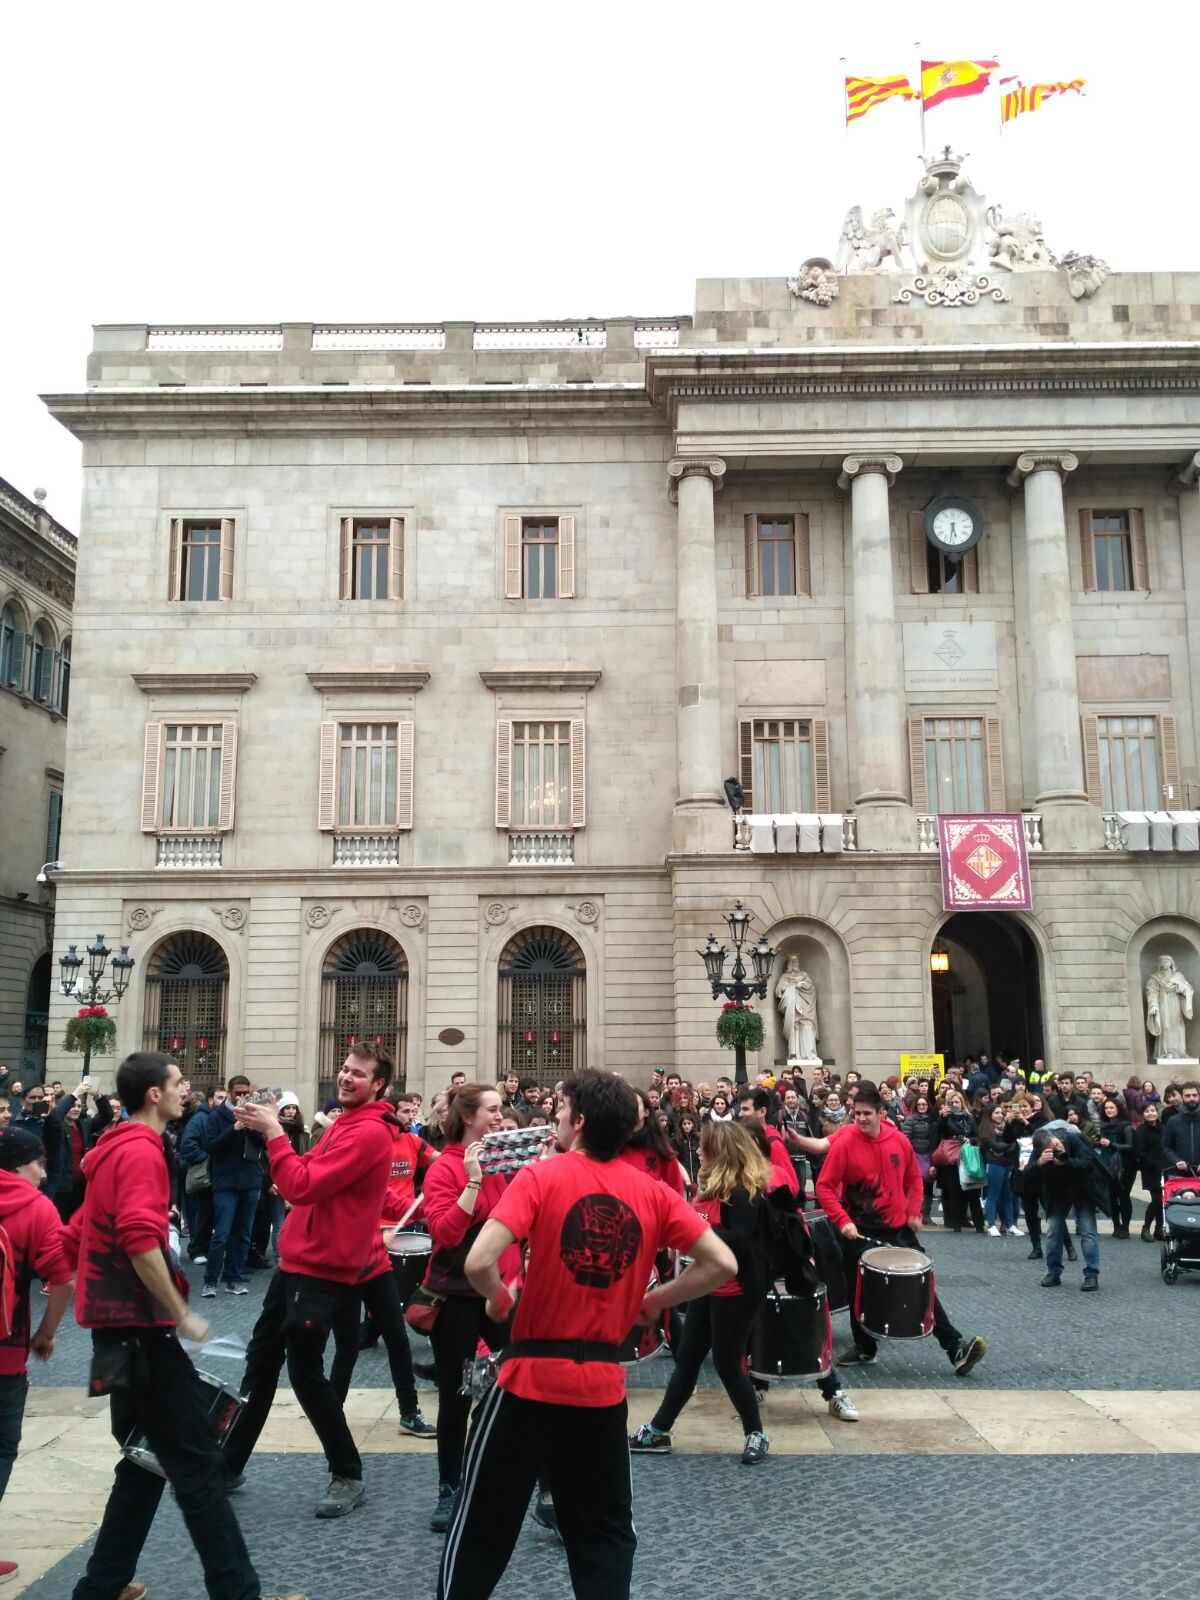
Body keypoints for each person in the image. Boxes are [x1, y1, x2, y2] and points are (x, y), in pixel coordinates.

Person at [437, 1069, 734, 1600]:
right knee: (604, 1537)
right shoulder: (654, 1193)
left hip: (527, 1381)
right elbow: (721, 1264)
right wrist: (654, 1301)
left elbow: (480, 1261)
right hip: (601, 1387)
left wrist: (498, 1297)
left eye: (560, 1110)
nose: (554, 1118)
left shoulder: (539, 1177)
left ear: (578, 1121)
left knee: (481, 1526)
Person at [63, 1051, 305, 1600]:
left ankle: (101, 1586)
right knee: (198, 1466)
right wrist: (181, 1312)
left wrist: (57, 1316)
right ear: (154, 1094)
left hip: (117, 1330)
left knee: (145, 1458)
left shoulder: (113, 1148)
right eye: (177, 1082)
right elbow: (137, 1239)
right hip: (142, 1331)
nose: (185, 1088)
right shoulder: (140, 1150)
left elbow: (77, 1234)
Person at [226, 1042, 413, 1519]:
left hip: (323, 1268)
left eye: (359, 1074)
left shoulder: (368, 1132)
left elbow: (300, 1186)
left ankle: (347, 1472)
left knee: (305, 1374)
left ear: (379, 1085)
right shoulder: (347, 1123)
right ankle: (227, 1464)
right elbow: (306, 1173)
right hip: (297, 1261)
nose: (346, 1077)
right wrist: (271, 1133)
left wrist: (274, 1131)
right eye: (345, 1069)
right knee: (260, 1363)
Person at [816, 1083, 986, 1376]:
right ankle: (865, 1347)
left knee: (921, 1286)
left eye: (867, 1113)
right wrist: (842, 1221)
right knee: (858, 1290)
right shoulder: (844, 1144)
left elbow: (913, 1180)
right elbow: (824, 1187)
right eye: (857, 1113)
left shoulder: (898, 1140)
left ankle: (955, 1347)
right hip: (860, 1231)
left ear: (881, 1112)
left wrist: (913, 1211)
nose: (860, 1118)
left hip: (898, 1230)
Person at [630, 1120, 771, 1464]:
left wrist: (694, 1228)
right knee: (688, 1359)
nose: (699, 1152)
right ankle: (659, 1430)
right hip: (708, 1285)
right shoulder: (709, 1189)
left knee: (727, 1364)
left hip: (737, 1291)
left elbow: (738, 1241)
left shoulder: (743, 1193)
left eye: (705, 1148)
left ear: (719, 1152)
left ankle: (756, 1432)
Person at [421, 1082, 513, 1533]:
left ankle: (530, 1482)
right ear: (468, 1116)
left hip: (496, 1293)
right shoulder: (445, 1167)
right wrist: (473, 1180)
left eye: (500, 1109)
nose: (500, 1116)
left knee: (516, 1382)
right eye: (492, 1110)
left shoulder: (500, 1162)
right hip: (456, 1297)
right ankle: (449, 1488)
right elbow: (446, 1233)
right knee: (456, 1395)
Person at [0, 1125, 74, 1585]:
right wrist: (45, 1335)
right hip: (5, 1352)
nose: (44, 1174)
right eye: (38, 1163)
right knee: (1, 1446)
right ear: (17, 1166)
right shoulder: (35, 1207)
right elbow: (64, 1281)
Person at [201, 1074, 263, 1298]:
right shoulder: (216, 1117)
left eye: (246, 1093)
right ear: (229, 1093)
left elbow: (264, 1144)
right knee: (222, 1234)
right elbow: (210, 1146)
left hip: (250, 1181)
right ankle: (210, 1280)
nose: (242, 1096)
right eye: (238, 1093)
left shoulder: (255, 1114)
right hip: (225, 1183)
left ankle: (233, 1279)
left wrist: (253, 1127)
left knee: (244, 1234)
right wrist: (234, 1128)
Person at [1032, 1121, 1108, 1291]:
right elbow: (1027, 1173)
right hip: (1058, 1193)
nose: (1058, 1149)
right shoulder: (1040, 1151)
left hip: (1083, 1190)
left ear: (1056, 1137)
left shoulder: (1073, 1138)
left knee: (1088, 1232)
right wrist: (1039, 1163)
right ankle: (1053, 1272)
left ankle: (1091, 1275)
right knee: (1053, 1231)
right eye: (1052, 1149)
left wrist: (1066, 1162)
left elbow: (1087, 1162)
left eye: (1057, 1145)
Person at [1096, 1097, 1134, 1238]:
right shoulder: (1104, 1126)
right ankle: (1116, 1225)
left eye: (1111, 1107)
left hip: (1124, 1166)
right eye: (1106, 1108)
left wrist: (1111, 1144)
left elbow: (1130, 1147)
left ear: (1118, 1109)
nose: (1108, 1110)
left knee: (1123, 1196)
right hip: (1107, 1165)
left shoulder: (1126, 1126)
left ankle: (1125, 1227)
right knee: (1111, 1197)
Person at [1135, 1101, 1165, 1240]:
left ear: (1157, 1112)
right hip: (1151, 1170)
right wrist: (1155, 1164)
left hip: (1166, 1169)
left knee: (1163, 1201)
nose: (1150, 1113)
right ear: (1143, 1115)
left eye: (1152, 1110)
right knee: (1157, 1200)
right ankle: (1146, 1227)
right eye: (1147, 1111)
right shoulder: (1141, 1131)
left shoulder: (1163, 1128)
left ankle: (1159, 1229)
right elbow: (1140, 1153)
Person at [1162, 1080, 1200, 1174]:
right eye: (1187, 1096)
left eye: (1194, 1095)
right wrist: (1176, 1160)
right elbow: (1166, 1147)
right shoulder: (1173, 1121)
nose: (1192, 1098)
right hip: (1181, 1174)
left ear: (1199, 1096)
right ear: (1182, 1097)